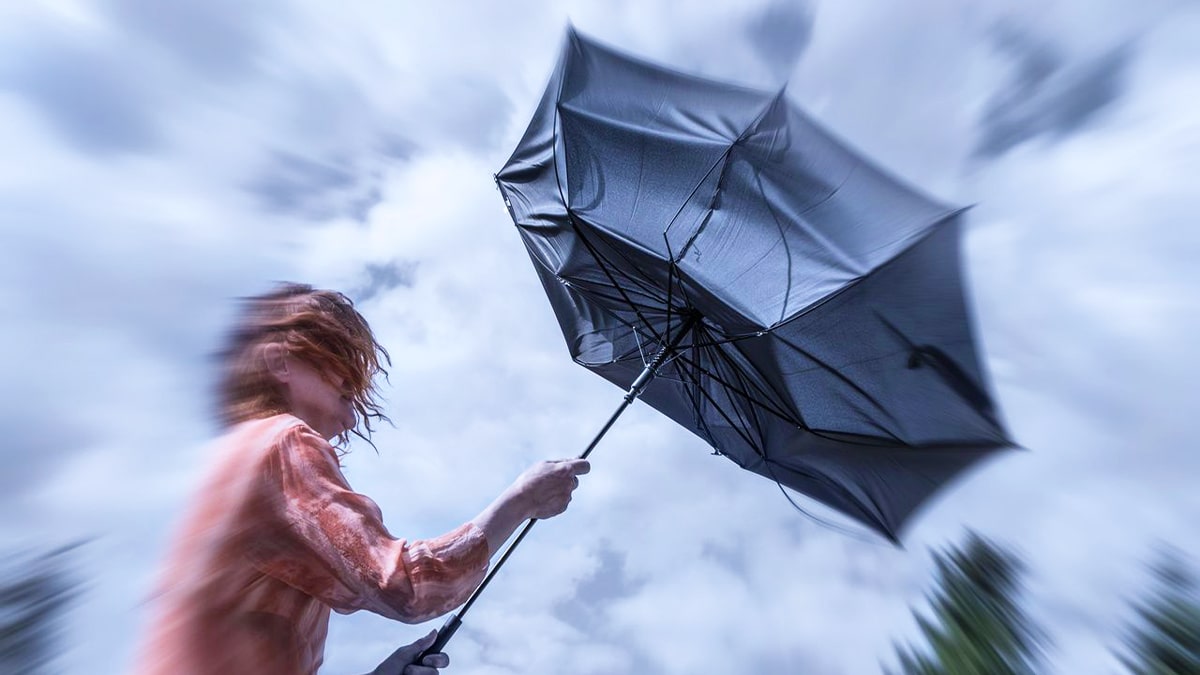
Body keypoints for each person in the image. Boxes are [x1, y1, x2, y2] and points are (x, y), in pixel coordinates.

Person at [134, 283, 589, 675]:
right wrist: (521, 502)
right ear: (280, 362)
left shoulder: (236, 459)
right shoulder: (283, 444)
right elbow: (408, 587)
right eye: (346, 389)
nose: (350, 420)